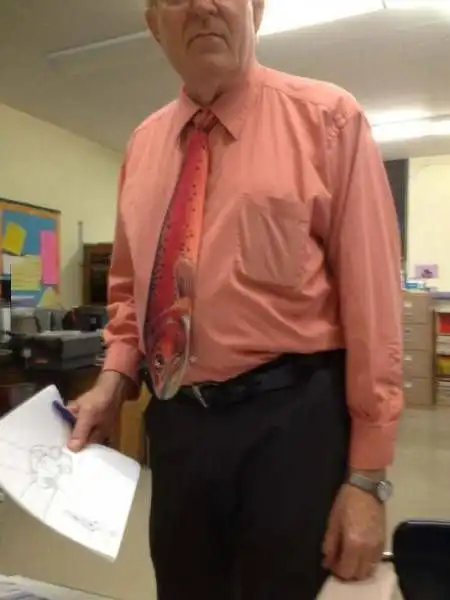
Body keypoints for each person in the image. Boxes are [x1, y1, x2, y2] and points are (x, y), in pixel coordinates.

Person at [67, 0, 403, 598]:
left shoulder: (328, 120)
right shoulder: (143, 147)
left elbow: (373, 310)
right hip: (177, 425)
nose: (202, 6)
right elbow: (130, 293)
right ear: (154, 25)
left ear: (257, 9)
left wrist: (367, 478)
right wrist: (113, 382)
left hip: (291, 422)